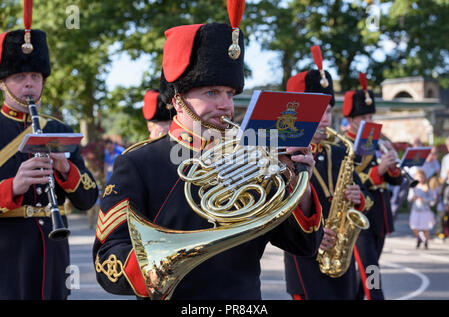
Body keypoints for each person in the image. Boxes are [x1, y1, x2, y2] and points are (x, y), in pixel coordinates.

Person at [93, 6, 323, 300]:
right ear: (178, 99)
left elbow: (304, 246)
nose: (226, 105)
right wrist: (159, 267)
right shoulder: (138, 163)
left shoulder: (255, 154)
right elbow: (107, 262)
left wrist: (298, 183)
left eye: (230, 94)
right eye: (212, 93)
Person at [0, 2, 98, 299]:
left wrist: (66, 170)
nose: (29, 85)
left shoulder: (61, 130)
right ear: (3, 83)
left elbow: (88, 197)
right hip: (6, 257)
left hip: (53, 256)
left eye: (35, 77)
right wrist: (13, 187)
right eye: (19, 77)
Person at [283, 46, 372, 300]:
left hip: (340, 255)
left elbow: (367, 195)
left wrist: (359, 197)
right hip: (305, 258)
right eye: (317, 111)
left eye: (329, 111)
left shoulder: (340, 151)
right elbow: (278, 213)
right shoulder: (283, 155)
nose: (325, 119)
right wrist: (316, 233)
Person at [342, 73, 404, 300]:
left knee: (370, 267)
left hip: (379, 214)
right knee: (371, 271)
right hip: (359, 214)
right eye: (363, 117)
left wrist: (393, 165)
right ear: (351, 120)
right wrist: (379, 171)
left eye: (371, 115)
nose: (369, 121)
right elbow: (348, 179)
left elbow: (396, 181)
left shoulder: (379, 142)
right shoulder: (343, 144)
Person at [408, 169, 436, 249]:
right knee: (414, 226)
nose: (420, 179)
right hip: (416, 209)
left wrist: (424, 199)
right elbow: (409, 198)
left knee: (425, 228)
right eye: (418, 177)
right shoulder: (413, 187)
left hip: (425, 210)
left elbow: (432, 199)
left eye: (421, 177)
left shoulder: (427, 187)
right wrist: (412, 198)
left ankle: (426, 242)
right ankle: (419, 238)